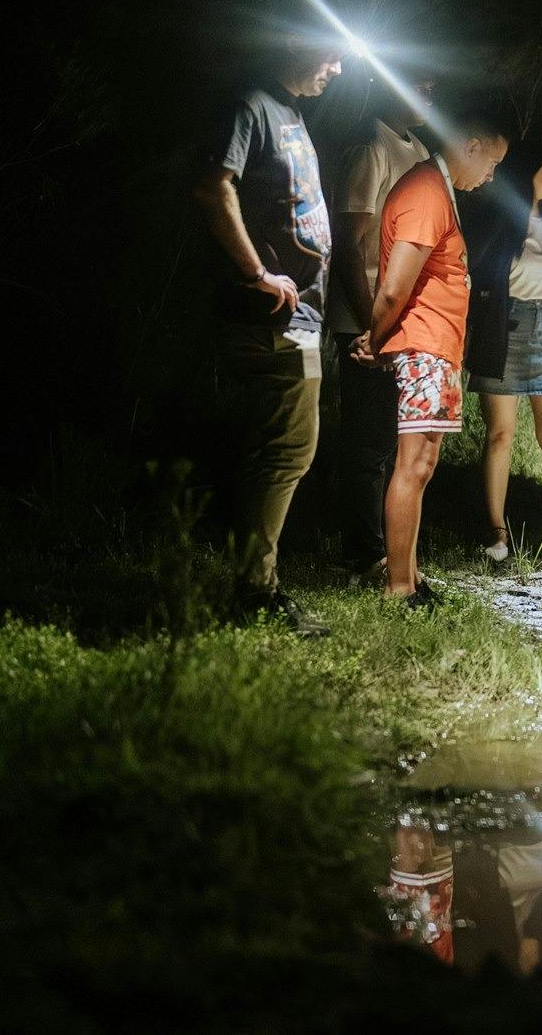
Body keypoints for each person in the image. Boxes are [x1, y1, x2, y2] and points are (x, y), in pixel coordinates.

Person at [191, 32, 342, 637]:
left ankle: (254, 582)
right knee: (287, 447)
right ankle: (254, 592)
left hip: (303, 316)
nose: (336, 69)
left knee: (283, 447)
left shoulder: (293, 114)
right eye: (330, 55)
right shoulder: (252, 105)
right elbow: (212, 185)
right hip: (271, 317)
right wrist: (256, 271)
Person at [352, 113, 510, 606]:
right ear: (472, 143)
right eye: (493, 162)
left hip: (437, 346)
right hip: (423, 346)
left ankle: (410, 577)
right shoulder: (425, 191)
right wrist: (374, 338)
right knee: (413, 463)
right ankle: (399, 587)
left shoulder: (437, 190)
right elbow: (395, 285)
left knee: (422, 463)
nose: (491, 175)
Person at [328, 74, 431, 582]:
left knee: (393, 440)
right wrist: (372, 324)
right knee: (367, 442)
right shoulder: (371, 148)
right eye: (420, 81)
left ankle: (393, 553)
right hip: (366, 320)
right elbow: (348, 243)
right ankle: (362, 555)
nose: (427, 89)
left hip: (401, 322)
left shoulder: (418, 148)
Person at [465, 149, 542, 571]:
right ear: (527, 172)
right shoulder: (501, 220)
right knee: (500, 434)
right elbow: (477, 269)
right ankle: (496, 532)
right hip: (506, 329)